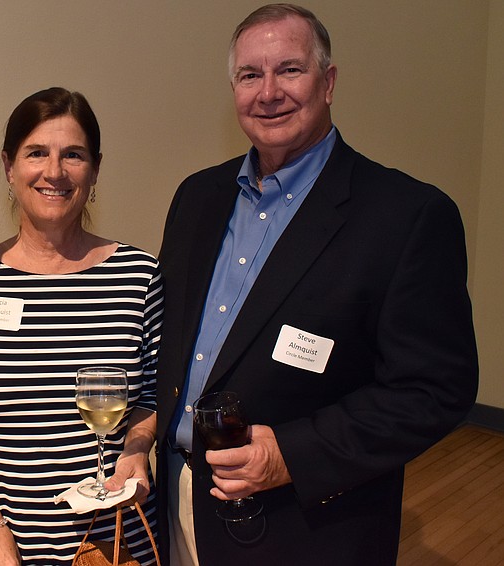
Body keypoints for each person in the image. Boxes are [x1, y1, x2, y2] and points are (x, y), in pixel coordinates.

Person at [156, 4, 479, 565]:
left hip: (306, 531)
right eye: (249, 75)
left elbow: (434, 390)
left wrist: (291, 455)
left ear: (328, 82)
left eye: (290, 70)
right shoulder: (197, 198)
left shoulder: (407, 215)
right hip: (176, 505)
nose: (268, 92)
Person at [0, 87, 163, 565]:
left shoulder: (139, 276)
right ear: (8, 165)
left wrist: (137, 450)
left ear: (96, 168)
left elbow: (152, 397)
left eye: (73, 155)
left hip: (115, 546)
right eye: (36, 153)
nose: (54, 172)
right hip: (5, 549)